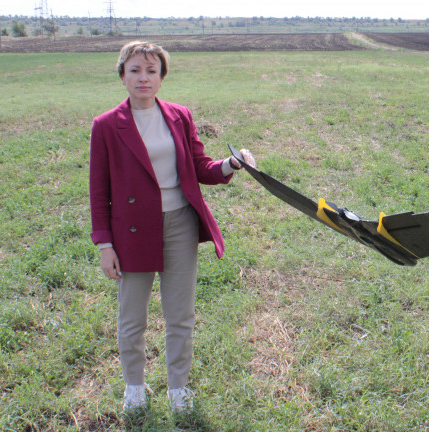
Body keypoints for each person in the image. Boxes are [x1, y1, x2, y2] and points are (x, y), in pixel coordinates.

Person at [89, 41, 255, 413]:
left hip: (179, 223)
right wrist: (104, 244)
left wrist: (230, 164)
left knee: (180, 313)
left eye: (151, 70)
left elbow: (200, 167)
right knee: (132, 316)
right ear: (122, 76)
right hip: (131, 230)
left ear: (162, 77)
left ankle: (178, 388)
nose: (143, 78)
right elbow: (98, 191)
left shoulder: (180, 116)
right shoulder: (105, 126)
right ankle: (134, 386)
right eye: (135, 70)